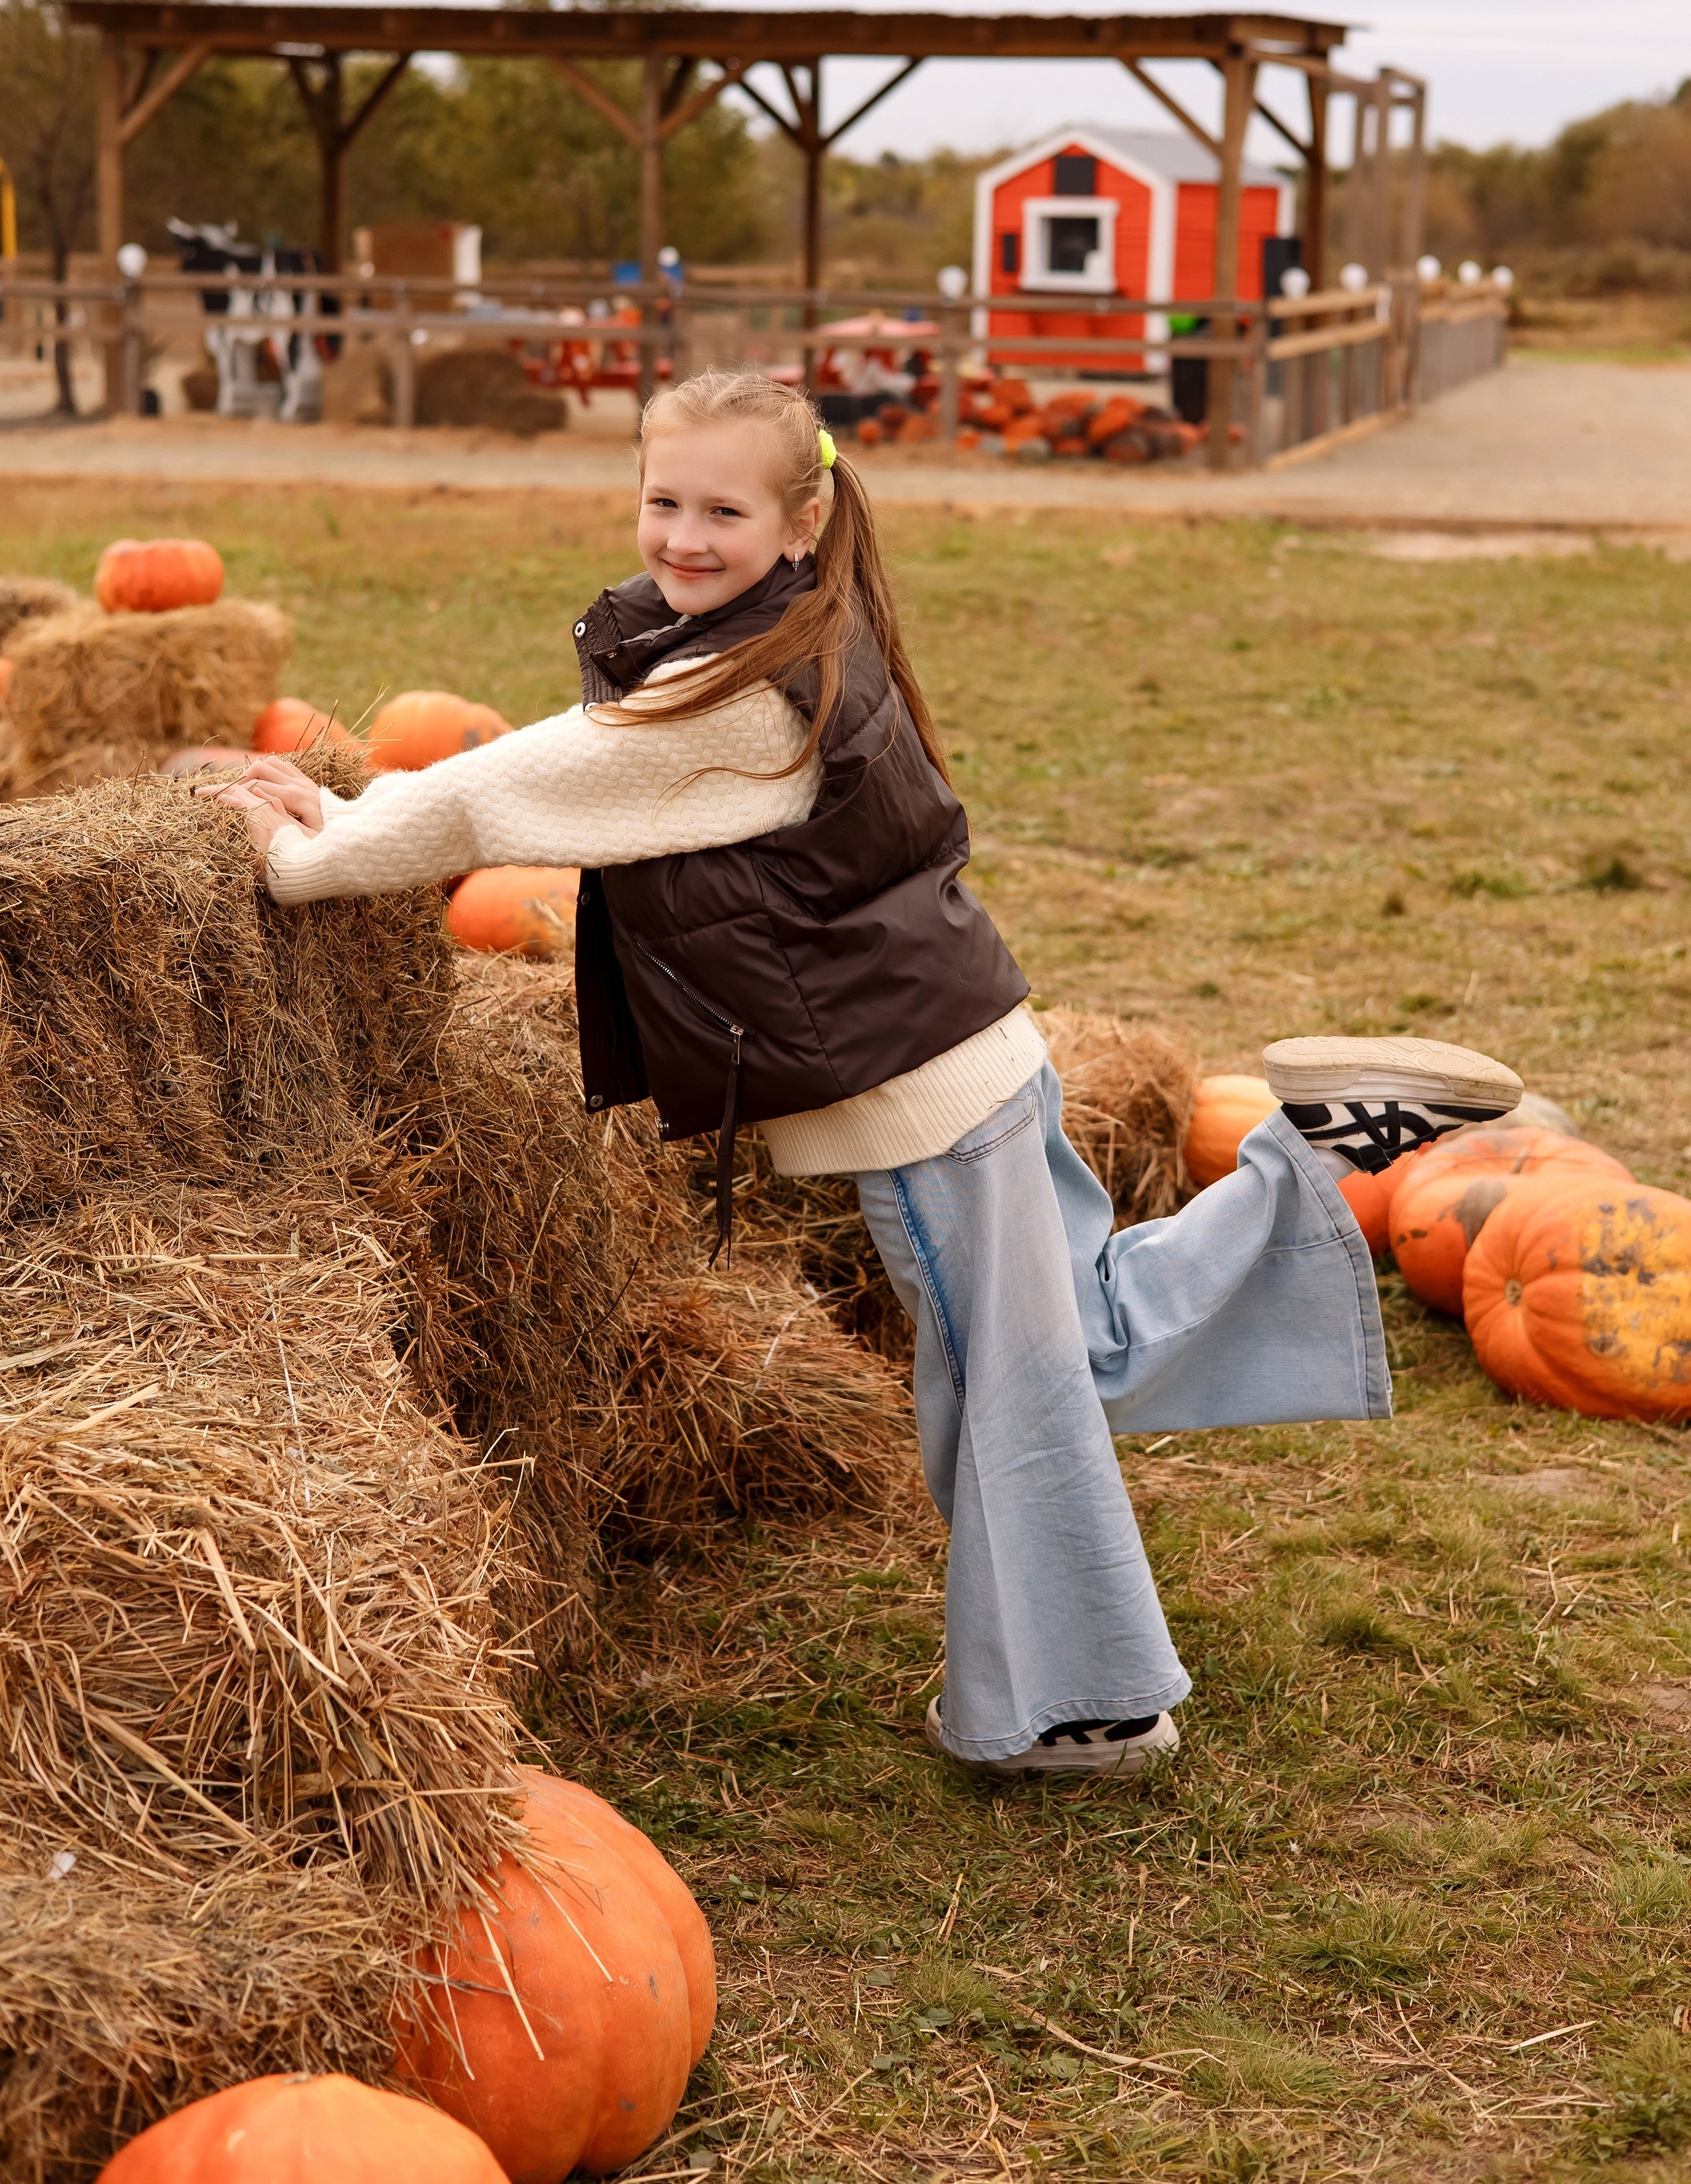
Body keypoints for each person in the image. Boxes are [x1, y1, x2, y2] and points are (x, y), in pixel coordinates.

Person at [209, 370, 1521, 1780]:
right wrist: (356, 809)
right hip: (969, 1055)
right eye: (663, 500)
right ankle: (1318, 1150)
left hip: (927, 1106)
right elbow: (547, 767)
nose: (684, 536)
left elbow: (505, 791)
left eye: (723, 508)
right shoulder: (783, 634)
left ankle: (1082, 1707)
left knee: (1006, 1400)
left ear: (800, 517)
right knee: (1074, 1346)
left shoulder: (741, 695)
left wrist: (309, 858)